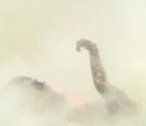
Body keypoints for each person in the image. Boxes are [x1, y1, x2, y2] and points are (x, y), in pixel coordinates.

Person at [10, 38, 138, 120]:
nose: (47, 87)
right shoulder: (66, 121)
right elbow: (115, 110)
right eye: (38, 89)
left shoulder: (74, 114)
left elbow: (119, 107)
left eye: (41, 85)